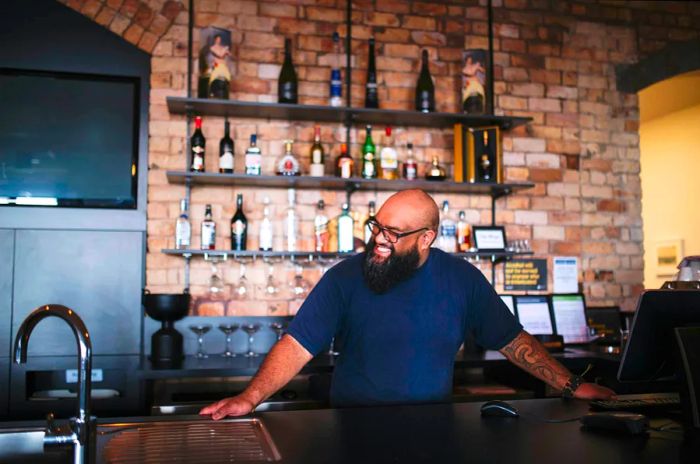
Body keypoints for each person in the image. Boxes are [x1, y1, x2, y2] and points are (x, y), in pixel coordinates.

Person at [201, 190, 615, 420]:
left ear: (425, 238)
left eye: (393, 233)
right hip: (351, 426)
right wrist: (249, 398)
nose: (379, 238)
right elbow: (297, 344)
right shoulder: (345, 277)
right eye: (376, 226)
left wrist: (573, 385)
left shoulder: (462, 279)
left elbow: (512, 340)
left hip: (433, 427)